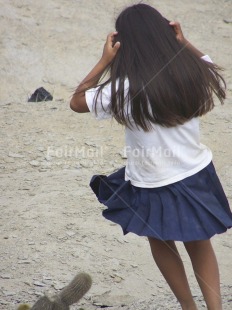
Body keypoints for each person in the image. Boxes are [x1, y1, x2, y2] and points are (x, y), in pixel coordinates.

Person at [70, 4, 232, 310]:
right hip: (196, 172)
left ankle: (188, 307)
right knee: (200, 243)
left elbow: (77, 101)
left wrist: (104, 61)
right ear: (165, 35)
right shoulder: (189, 71)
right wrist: (183, 43)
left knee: (162, 243)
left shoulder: (121, 88)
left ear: (124, 46)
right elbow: (211, 67)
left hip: (152, 181)